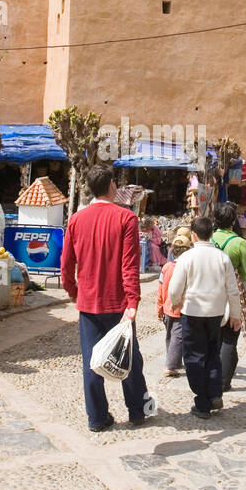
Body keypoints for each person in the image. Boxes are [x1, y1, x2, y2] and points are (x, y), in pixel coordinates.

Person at [60, 163, 151, 432]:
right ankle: (137, 411)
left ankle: (97, 418)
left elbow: (66, 263)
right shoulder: (126, 219)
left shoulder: (76, 219)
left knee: (91, 361)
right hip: (119, 304)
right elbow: (129, 265)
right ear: (112, 186)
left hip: (88, 303)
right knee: (129, 358)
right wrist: (132, 302)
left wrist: (73, 291)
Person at [168, 216, 242, 418]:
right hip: (216, 314)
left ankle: (202, 402)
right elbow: (232, 290)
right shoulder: (222, 258)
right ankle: (215, 392)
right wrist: (236, 315)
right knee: (212, 354)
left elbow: (175, 288)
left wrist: (174, 301)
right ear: (211, 233)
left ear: (193, 235)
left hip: (192, 313)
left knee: (193, 357)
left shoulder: (186, 258)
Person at [210, 202, 246, 391]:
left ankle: (212, 375)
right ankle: (223, 382)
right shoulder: (239, 242)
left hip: (209, 292)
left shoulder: (208, 238)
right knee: (230, 336)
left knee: (215, 336)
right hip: (233, 294)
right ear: (233, 220)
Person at [157, 227, 193, 377]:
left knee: (170, 336)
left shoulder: (166, 267)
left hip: (166, 307)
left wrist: (159, 307)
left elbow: (160, 289)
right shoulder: (187, 268)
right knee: (178, 336)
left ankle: (174, 360)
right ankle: (170, 365)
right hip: (180, 308)